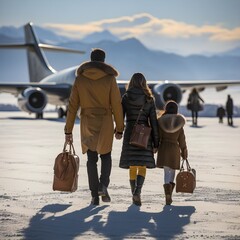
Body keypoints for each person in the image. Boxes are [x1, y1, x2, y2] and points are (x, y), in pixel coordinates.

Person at [64, 48, 124, 205]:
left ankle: (94, 195)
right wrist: (120, 127)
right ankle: (103, 185)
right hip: (105, 121)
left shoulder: (80, 79)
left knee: (91, 159)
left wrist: (68, 130)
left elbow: (72, 106)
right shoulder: (110, 79)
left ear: (91, 60)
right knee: (106, 155)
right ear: (103, 61)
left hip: (87, 121)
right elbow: (117, 104)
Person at [119, 73, 159, 206]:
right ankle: (138, 191)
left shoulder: (126, 97)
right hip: (145, 134)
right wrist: (156, 142)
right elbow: (153, 121)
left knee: (132, 164)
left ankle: (134, 193)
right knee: (142, 164)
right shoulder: (149, 99)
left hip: (130, 131)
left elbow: (120, 117)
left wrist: (119, 130)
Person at [156, 100, 188, 205]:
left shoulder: (161, 122)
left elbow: (158, 137)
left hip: (164, 148)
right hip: (175, 149)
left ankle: (167, 194)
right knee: (173, 171)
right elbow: (182, 139)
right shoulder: (179, 122)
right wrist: (184, 151)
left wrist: (155, 147)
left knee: (166, 172)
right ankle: (170, 193)